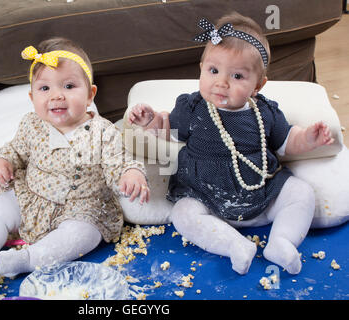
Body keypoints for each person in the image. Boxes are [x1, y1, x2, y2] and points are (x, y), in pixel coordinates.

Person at [128, 13, 334, 275]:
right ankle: (234, 245)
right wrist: (151, 120)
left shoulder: (265, 113)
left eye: (237, 76)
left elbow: (286, 143)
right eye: (213, 71)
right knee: (183, 214)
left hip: (261, 193)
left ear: (258, 85)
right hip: (204, 195)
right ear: (201, 68)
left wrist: (308, 139)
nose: (221, 82)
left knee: (301, 192)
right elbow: (169, 130)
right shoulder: (193, 108)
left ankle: (282, 241)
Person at [0, 37, 149, 277]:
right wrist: (2, 163)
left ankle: (29, 259)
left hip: (82, 208)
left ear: (90, 95)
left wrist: (131, 173)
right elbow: (14, 150)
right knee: (0, 206)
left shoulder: (102, 131)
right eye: (45, 88)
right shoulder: (32, 124)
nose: (56, 96)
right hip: (32, 197)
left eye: (69, 86)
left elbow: (119, 159)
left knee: (86, 235)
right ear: (32, 98)